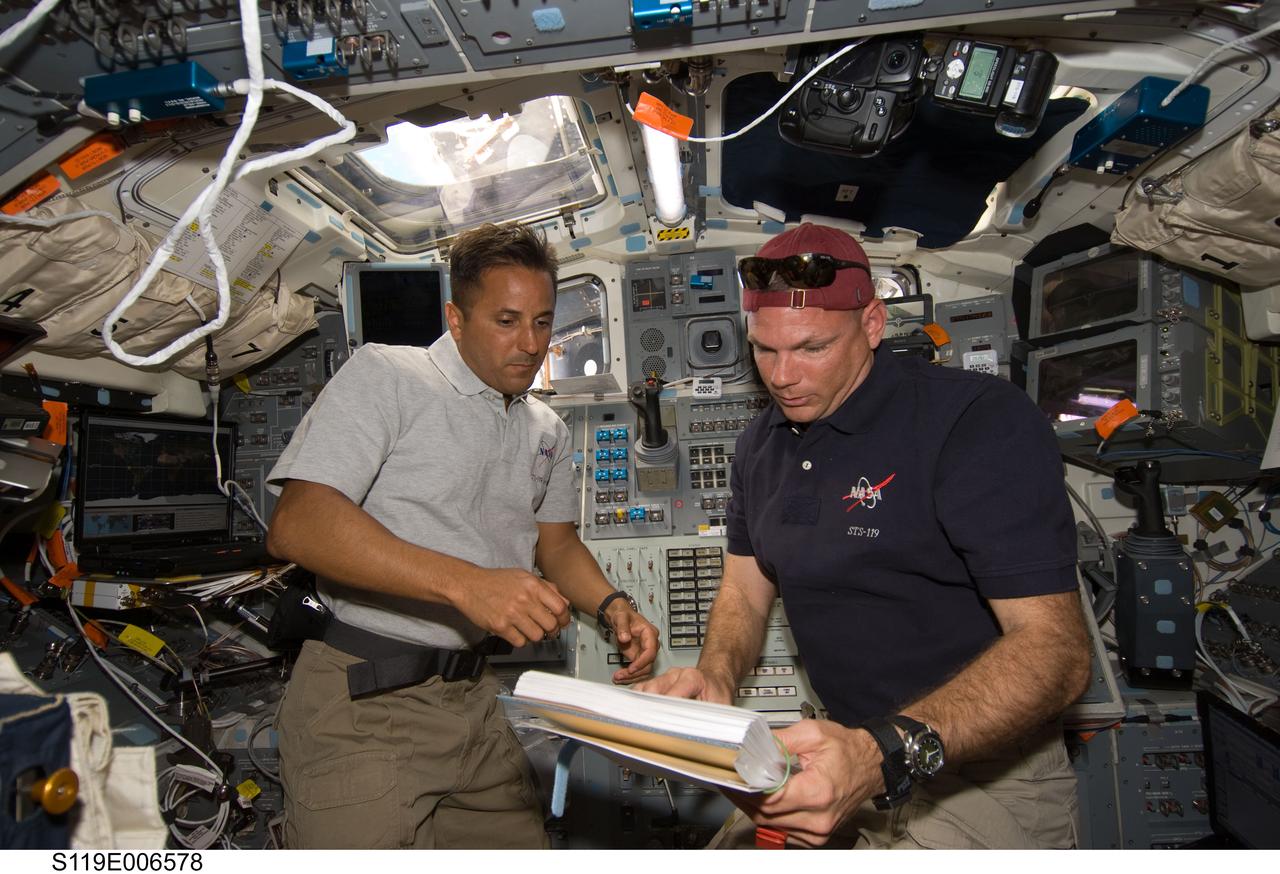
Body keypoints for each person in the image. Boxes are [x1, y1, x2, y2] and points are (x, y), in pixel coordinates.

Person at [639, 223, 1091, 849]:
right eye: (765, 352)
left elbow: (1056, 653)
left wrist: (882, 751)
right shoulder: (759, 443)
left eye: (812, 348)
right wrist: (716, 675)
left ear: (872, 324)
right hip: (842, 744)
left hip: (981, 769)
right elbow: (745, 586)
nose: (783, 375)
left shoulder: (976, 420)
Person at [265, 222, 660, 849]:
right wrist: (467, 586)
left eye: (541, 321)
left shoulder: (546, 428)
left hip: (472, 699)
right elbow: (298, 523)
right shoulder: (388, 376)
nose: (530, 343)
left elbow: (554, 545)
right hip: (364, 696)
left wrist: (613, 606)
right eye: (506, 321)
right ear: (456, 317)